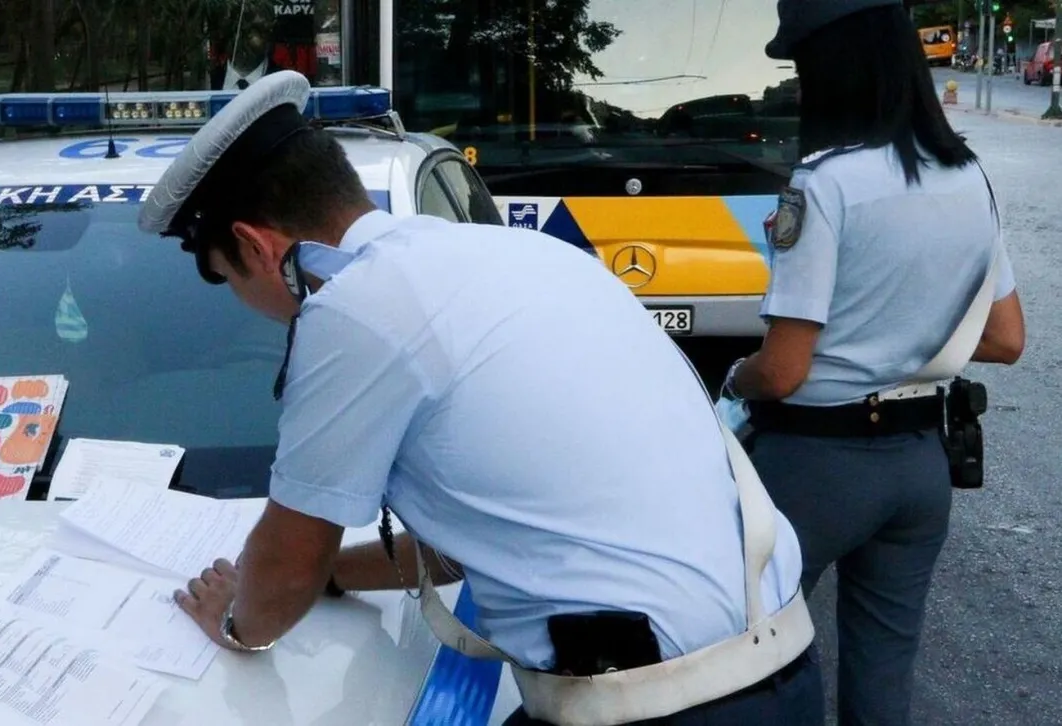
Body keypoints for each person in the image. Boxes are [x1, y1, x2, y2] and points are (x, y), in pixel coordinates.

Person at [140, 70, 824, 725]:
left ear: (256, 247)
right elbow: (502, 524)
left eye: (228, 277)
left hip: (656, 705)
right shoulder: (524, 257)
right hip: (774, 669)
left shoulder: (358, 309)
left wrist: (235, 621)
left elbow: (286, 574)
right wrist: (337, 575)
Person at [721, 2, 1027, 725]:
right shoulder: (967, 176)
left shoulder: (822, 184)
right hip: (920, 467)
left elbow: (783, 371)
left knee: (744, 663)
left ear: (833, 68)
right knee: (883, 676)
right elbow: (1006, 338)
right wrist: (899, 338)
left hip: (812, 466)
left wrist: (734, 377)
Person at [211, 2, 284, 91]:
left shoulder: (285, 83)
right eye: (235, 28)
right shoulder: (207, 81)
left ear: (269, 33)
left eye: (253, 30)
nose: (241, 37)